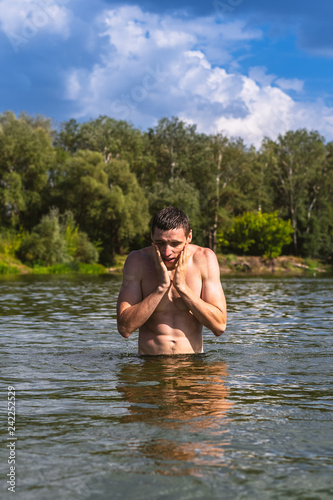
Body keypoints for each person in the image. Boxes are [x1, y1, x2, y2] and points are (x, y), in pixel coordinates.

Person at [117, 206, 227, 355]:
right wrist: (161, 288)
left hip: (192, 365)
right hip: (149, 366)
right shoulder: (137, 261)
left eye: (175, 244)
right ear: (151, 236)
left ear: (189, 237)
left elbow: (219, 326)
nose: (167, 252)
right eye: (160, 243)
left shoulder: (204, 259)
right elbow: (124, 328)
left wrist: (182, 287)